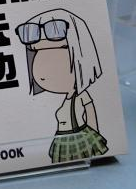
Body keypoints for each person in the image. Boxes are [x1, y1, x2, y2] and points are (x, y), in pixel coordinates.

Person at [16, 9, 109, 164]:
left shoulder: (81, 95)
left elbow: (91, 114)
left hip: (78, 137)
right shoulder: (67, 98)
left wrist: (94, 137)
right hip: (62, 138)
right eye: (38, 52)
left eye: (59, 51)